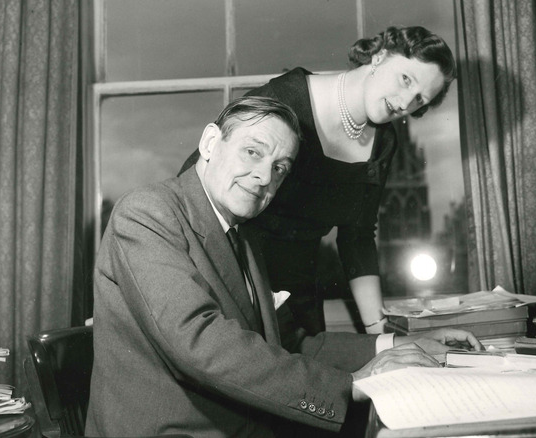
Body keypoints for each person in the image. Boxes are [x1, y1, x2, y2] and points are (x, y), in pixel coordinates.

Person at [86, 96, 482, 438]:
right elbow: (199, 343)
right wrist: (353, 384)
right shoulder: (147, 213)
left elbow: (291, 343)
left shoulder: (243, 234)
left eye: (280, 168)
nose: (263, 177)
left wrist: (399, 345)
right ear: (210, 143)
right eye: (253, 152)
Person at [178, 26, 457, 335]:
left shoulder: (384, 142)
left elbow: (358, 237)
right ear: (380, 58)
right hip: (234, 283)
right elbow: (193, 186)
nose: (405, 102)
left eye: (419, 99)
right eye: (406, 79)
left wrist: (379, 331)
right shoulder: (285, 99)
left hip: (302, 295)